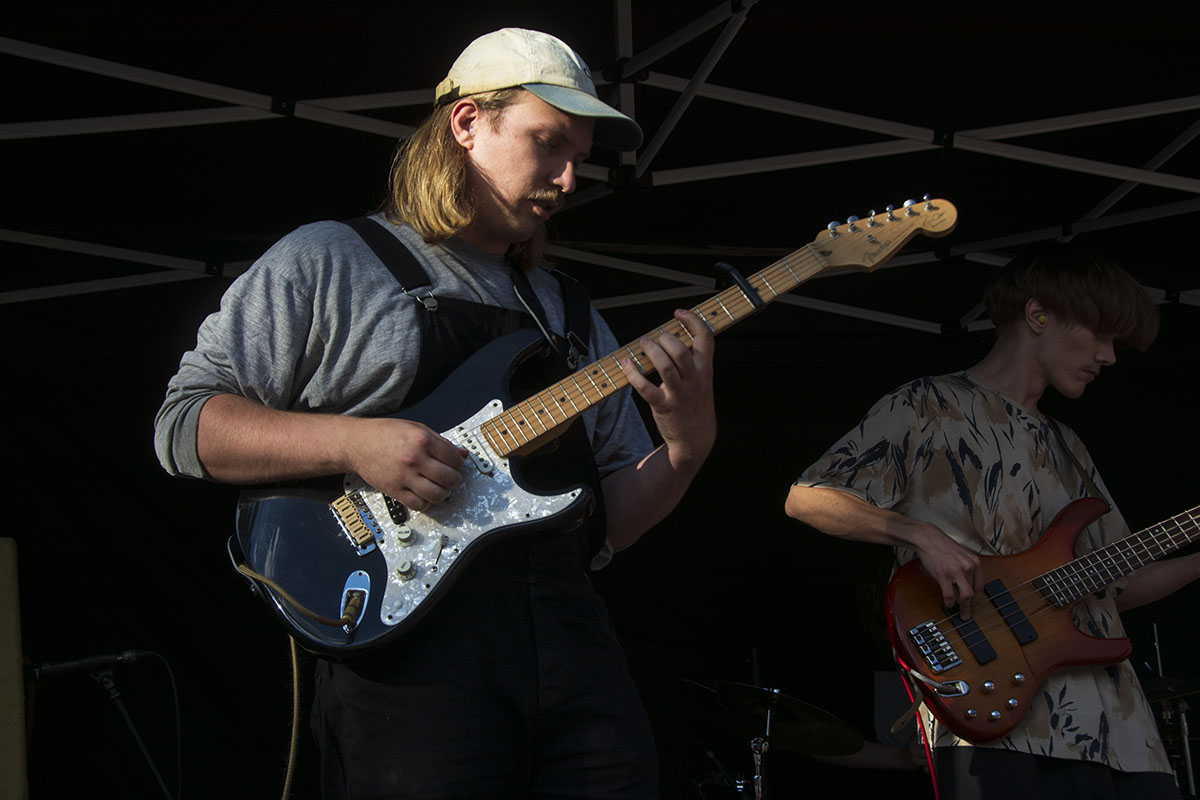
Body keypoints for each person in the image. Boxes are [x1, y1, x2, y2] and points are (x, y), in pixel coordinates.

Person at [154, 27, 716, 800]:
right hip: (407, 659)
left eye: (579, 157)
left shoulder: (569, 308)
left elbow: (610, 522)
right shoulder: (332, 259)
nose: (568, 177)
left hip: (570, 646)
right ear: (467, 123)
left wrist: (686, 450)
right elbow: (185, 426)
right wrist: (353, 443)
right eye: (549, 143)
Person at [784, 244, 1198, 799]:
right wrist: (921, 534)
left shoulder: (1068, 445)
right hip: (991, 713)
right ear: (1038, 315)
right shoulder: (928, 404)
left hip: (1119, 729)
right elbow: (808, 497)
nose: (1109, 356)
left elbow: (1116, 586)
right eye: (1100, 335)